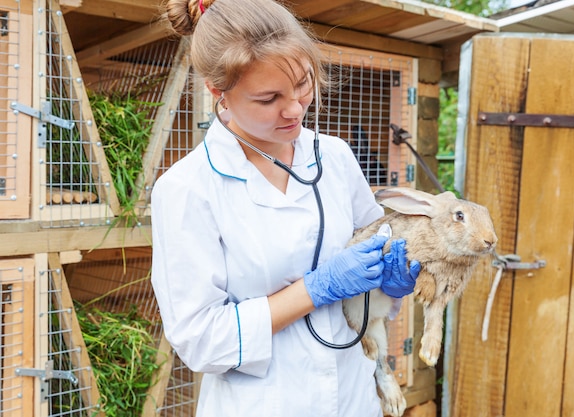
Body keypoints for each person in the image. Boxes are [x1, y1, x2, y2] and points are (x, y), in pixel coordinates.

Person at [150, 0, 421, 416]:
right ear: (217, 91)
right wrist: (314, 290)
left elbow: (374, 254)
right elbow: (201, 340)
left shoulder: (335, 156)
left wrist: (388, 284)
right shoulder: (187, 189)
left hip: (352, 398)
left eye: (303, 84)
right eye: (269, 98)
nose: (294, 108)